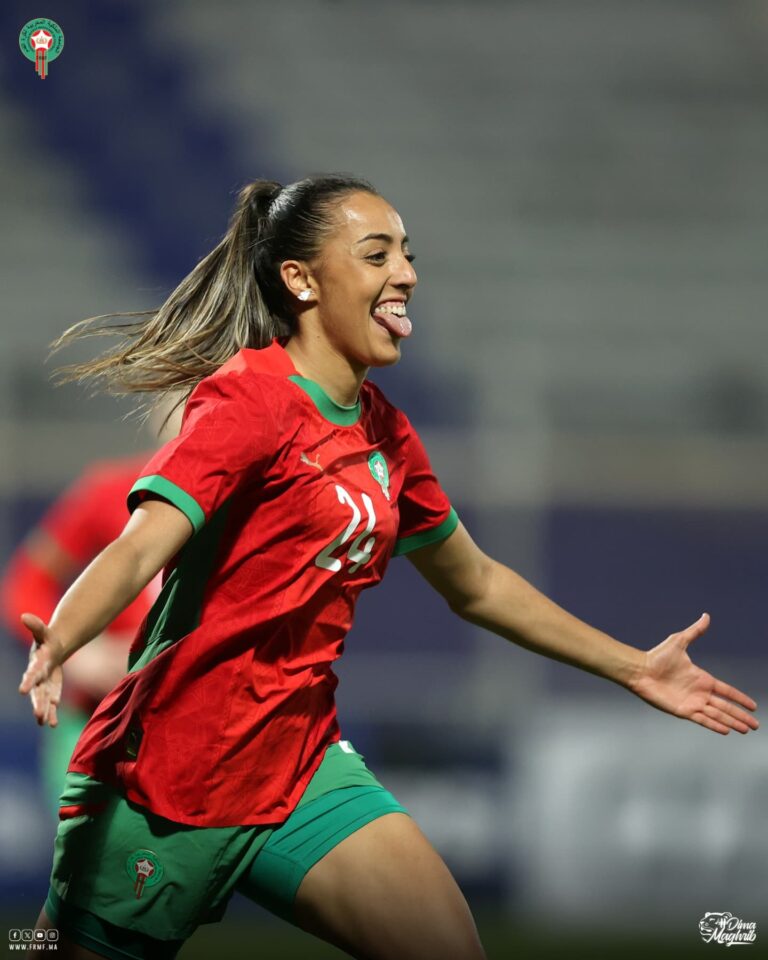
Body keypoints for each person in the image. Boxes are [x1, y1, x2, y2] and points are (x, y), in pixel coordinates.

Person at [18, 175, 758, 960]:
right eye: (376, 255)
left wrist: (634, 666)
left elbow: (477, 584)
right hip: (169, 779)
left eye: (407, 254)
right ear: (301, 280)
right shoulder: (249, 402)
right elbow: (141, 545)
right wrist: (64, 636)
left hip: (301, 768)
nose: (405, 273)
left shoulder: (386, 435)